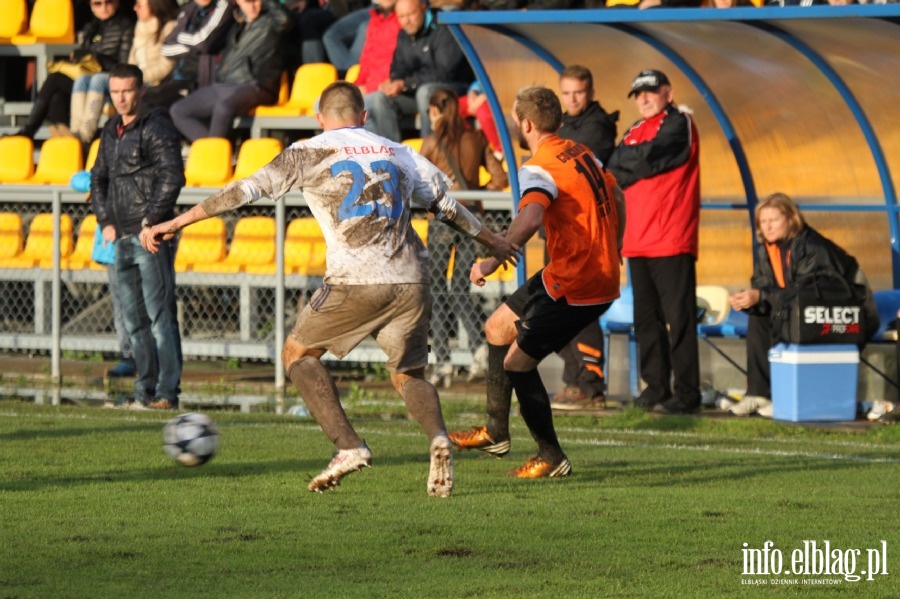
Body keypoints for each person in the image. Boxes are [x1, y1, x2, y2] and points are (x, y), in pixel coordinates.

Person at [141, 81, 518, 496]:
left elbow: (241, 191)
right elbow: (446, 206)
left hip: (357, 278)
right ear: (363, 117)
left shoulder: (310, 150)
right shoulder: (397, 151)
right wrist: (494, 241)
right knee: (408, 374)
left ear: (320, 119)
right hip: (412, 277)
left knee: (297, 354)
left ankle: (349, 447)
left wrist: (176, 222)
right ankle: (438, 437)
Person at [449, 86, 624, 478]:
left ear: (525, 123)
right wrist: (617, 245)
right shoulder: (582, 152)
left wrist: (495, 257)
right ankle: (495, 431)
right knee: (497, 329)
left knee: (517, 363)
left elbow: (529, 218)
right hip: (575, 270)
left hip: (578, 281)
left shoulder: (539, 166)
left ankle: (551, 456)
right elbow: (620, 196)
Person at [727, 192, 877, 418]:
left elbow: (811, 293)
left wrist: (762, 296)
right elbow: (765, 287)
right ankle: (758, 393)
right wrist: (749, 300)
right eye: (763, 221)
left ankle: (786, 395)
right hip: (802, 311)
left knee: (794, 318)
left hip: (848, 313)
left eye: (773, 220)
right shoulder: (767, 249)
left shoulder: (811, 246)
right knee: (758, 317)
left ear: (791, 218)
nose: (767, 227)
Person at [606, 68, 702, 415]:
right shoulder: (634, 130)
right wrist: (636, 161)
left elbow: (648, 157)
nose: (644, 98)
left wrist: (635, 161)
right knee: (645, 320)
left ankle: (688, 392)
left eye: (651, 91)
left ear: (668, 93)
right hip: (636, 240)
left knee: (679, 319)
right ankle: (656, 387)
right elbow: (614, 165)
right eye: (639, 94)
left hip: (672, 237)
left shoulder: (681, 122)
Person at [91, 63, 185, 410]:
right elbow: (97, 177)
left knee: (160, 316)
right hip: (119, 237)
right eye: (115, 91)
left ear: (141, 90)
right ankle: (143, 391)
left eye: (127, 90)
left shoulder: (157, 125)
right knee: (133, 320)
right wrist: (104, 221)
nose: (120, 98)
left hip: (150, 237)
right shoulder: (110, 129)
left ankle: (166, 393)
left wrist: (152, 221)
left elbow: (172, 177)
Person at [419, 88, 508, 388]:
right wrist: (475, 196)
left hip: (442, 221)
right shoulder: (476, 138)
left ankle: (442, 362)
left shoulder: (432, 143)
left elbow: (416, 183)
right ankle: (479, 351)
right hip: (470, 220)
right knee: (461, 285)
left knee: (436, 288)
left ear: (434, 111)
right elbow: (500, 179)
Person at [550, 64, 620, 411]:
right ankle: (575, 382)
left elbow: (576, 172)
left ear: (590, 93)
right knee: (557, 309)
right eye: (566, 93)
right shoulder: (564, 126)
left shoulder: (598, 127)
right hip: (565, 233)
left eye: (578, 92)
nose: (572, 99)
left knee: (583, 311)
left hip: (589, 234)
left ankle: (591, 386)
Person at [169, 0, 291, 142]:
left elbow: (286, 21)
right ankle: (215, 152)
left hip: (255, 84)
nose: (252, 6)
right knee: (178, 110)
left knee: (223, 107)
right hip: (225, 83)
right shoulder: (237, 21)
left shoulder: (271, 22)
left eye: (256, 1)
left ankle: (215, 155)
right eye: (247, 2)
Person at [12, 0, 134, 140]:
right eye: (97, 3)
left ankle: (29, 130)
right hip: (86, 78)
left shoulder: (126, 27)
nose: (104, 7)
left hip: (107, 81)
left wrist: (95, 57)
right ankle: (66, 141)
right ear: (91, 6)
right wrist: (79, 56)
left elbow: (123, 68)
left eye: (108, 2)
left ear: (117, 3)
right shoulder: (91, 27)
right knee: (57, 97)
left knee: (55, 79)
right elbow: (86, 56)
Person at [70, 0, 180, 146]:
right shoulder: (140, 27)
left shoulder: (169, 28)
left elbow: (166, 66)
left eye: (140, 5)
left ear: (154, 5)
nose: (135, 8)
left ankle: (85, 135)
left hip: (153, 84)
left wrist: (136, 77)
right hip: (133, 78)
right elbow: (131, 61)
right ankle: (75, 131)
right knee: (82, 79)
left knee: (99, 80)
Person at [362, 0, 472, 142]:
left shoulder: (444, 27)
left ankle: (428, 154)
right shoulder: (404, 34)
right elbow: (397, 69)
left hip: (453, 88)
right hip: (415, 90)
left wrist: (405, 83)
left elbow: (445, 72)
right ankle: (391, 155)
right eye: (401, 17)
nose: (407, 21)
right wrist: (392, 83)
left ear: (423, 8)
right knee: (376, 98)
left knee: (425, 93)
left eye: (411, 14)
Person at [144, 0, 234, 111]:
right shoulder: (189, 8)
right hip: (179, 77)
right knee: (143, 99)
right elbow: (166, 49)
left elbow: (203, 43)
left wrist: (180, 37)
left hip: (202, 80)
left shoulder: (223, 6)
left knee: (158, 105)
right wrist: (193, 46)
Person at [349, 0, 401, 96]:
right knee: (321, 103)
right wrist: (356, 86)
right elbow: (366, 60)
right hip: (370, 88)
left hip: (387, 88)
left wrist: (368, 88)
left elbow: (397, 64)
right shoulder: (375, 20)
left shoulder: (403, 20)